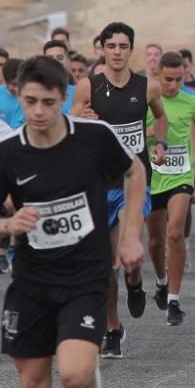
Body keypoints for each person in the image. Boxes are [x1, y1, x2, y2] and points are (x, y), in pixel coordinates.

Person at [0, 57, 146, 388]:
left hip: (85, 277)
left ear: (64, 100)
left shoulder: (93, 139)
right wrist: (8, 226)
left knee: (74, 379)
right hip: (31, 282)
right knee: (30, 386)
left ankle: (86, 374)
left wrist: (131, 233)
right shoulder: (6, 155)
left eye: (47, 102)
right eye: (29, 102)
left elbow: (135, 171)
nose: (38, 112)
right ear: (18, 97)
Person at [71, 21, 167, 359]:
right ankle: (113, 328)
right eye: (110, 46)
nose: (116, 52)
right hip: (100, 183)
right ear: (102, 49)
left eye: (123, 46)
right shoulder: (88, 86)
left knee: (129, 255)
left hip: (133, 181)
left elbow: (160, 118)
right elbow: (71, 128)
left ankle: (136, 281)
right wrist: (83, 118)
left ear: (131, 50)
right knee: (108, 263)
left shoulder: (148, 87)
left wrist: (161, 143)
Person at [147, 52, 195, 325]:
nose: (173, 85)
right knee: (155, 242)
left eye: (179, 80)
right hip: (152, 177)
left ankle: (174, 300)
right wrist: (154, 136)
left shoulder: (191, 102)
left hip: (181, 174)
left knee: (176, 231)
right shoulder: (147, 102)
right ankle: (161, 280)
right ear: (157, 75)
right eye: (168, 79)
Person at [0, 59, 25, 128]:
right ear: (5, 80)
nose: (17, 88)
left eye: (20, 84)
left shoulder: (30, 95)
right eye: (14, 84)